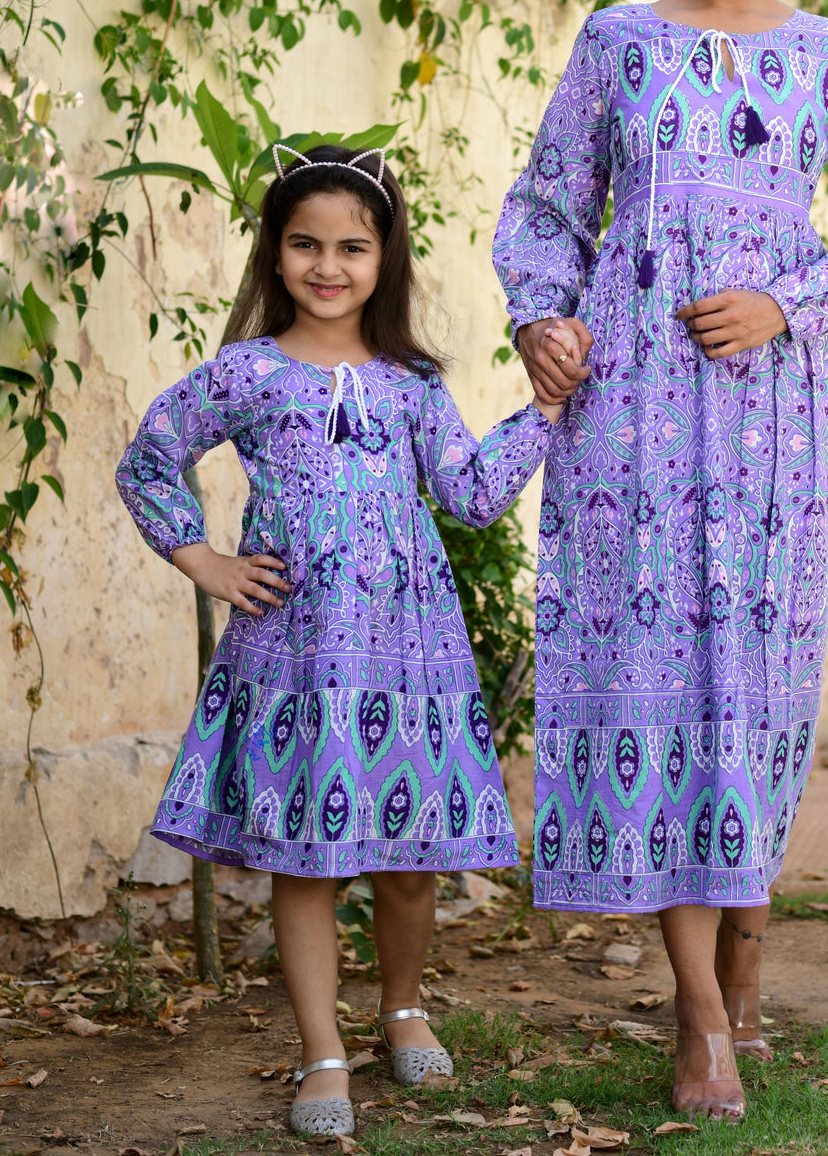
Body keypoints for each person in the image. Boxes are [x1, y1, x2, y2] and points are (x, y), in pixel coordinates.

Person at [494, 0, 828, 1121]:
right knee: (653, 689)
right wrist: (540, 319)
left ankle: (746, 934)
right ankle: (698, 1016)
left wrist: (787, 303)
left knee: (760, 692)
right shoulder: (619, 43)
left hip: (777, 424)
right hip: (628, 420)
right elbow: (547, 207)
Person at [116, 144, 565, 1138]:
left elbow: (471, 491)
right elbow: (149, 456)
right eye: (305, 244)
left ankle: (402, 1005)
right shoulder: (244, 373)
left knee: (409, 861)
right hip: (297, 656)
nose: (329, 264)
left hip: (410, 653)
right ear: (274, 255)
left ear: (382, 255)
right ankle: (322, 1049)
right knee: (310, 863)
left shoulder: (409, 383)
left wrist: (541, 415)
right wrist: (207, 563)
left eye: (351, 246)